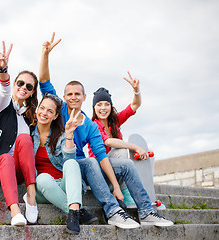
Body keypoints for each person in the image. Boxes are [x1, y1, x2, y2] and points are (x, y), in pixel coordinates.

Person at [38, 33, 174, 228]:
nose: (73, 97)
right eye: (69, 94)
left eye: (77, 94)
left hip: (86, 167)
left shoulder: (91, 125)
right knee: (91, 160)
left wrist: (116, 187)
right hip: (67, 166)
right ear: (64, 96)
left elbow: (102, 156)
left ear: (84, 97)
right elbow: (44, 82)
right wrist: (45, 54)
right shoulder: (58, 112)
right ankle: (113, 212)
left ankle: (146, 211)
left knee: (125, 165)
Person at [0, 41, 38, 226]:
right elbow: (3, 90)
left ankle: (31, 197)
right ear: (14, 84)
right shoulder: (3, 105)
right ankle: (15, 211)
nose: (24, 88)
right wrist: (2, 69)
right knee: (7, 158)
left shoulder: (29, 117)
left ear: (32, 92)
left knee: (25, 138)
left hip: (19, 171)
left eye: (29, 86)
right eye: (20, 83)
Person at [32, 93, 98, 234]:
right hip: (42, 189)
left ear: (55, 116)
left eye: (50, 111)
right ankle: (78, 211)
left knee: (72, 164)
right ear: (37, 109)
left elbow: (69, 160)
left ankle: (73, 214)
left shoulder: (60, 134)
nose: (44, 113)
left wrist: (69, 135)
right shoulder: (28, 135)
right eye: (42, 108)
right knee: (43, 178)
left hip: (65, 186)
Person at [88, 76, 151, 207]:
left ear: (111, 106)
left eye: (107, 104)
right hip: (99, 170)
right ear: (94, 107)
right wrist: (135, 146)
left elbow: (135, 105)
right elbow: (109, 142)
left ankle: (132, 193)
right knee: (121, 151)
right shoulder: (94, 125)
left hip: (115, 170)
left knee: (123, 153)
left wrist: (136, 91)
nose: (103, 108)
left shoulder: (115, 121)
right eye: (99, 105)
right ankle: (125, 192)